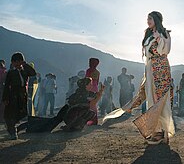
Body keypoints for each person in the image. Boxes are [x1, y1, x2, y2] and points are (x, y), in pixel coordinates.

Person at [104, 11, 174, 145]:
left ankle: (163, 131)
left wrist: (159, 39)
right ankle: (155, 130)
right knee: (150, 98)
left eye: (150, 18)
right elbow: (147, 54)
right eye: (147, 18)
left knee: (160, 98)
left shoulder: (165, 33)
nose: (148, 20)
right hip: (149, 68)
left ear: (157, 20)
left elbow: (165, 51)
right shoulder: (148, 34)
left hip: (161, 68)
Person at [17, 77, 105, 133]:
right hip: (67, 111)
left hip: (69, 111)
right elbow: (79, 108)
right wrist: (68, 125)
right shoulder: (82, 94)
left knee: (51, 123)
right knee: (50, 124)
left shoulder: (85, 92)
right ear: (85, 85)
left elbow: (95, 96)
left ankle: (28, 124)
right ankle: (28, 125)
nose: (91, 85)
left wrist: (101, 91)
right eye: (90, 84)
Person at [2, 52, 37, 139]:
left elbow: (33, 73)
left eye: (19, 61)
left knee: (22, 113)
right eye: (14, 62)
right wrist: (5, 98)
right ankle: (13, 132)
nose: (16, 64)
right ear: (12, 63)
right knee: (10, 114)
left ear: (22, 61)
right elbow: (6, 86)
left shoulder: (25, 70)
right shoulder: (11, 73)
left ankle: (14, 128)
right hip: (13, 95)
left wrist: (25, 64)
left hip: (23, 95)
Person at [85, 58, 100, 125]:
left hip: (89, 88)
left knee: (88, 104)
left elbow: (86, 80)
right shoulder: (97, 72)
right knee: (93, 105)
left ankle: (89, 120)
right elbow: (97, 82)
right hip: (95, 89)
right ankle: (94, 120)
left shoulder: (89, 70)